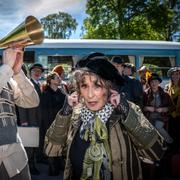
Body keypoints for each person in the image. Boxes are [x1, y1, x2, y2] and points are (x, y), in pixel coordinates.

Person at [44, 56, 166, 180]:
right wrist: (65, 112)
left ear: (110, 87)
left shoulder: (126, 110)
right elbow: (51, 150)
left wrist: (126, 112)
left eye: (97, 86)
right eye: (84, 86)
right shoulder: (75, 113)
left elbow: (156, 151)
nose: (90, 95)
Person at [0, 47, 39, 180]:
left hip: (16, 157)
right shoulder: (4, 72)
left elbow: (32, 101)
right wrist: (6, 68)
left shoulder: (6, 77)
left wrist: (17, 73)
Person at [17, 62, 45, 175]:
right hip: (29, 119)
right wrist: (24, 121)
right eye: (35, 71)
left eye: (40, 71)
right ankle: (29, 167)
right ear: (30, 72)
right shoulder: (27, 84)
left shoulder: (39, 84)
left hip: (37, 118)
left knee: (35, 143)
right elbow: (21, 103)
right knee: (29, 145)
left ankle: (35, 161)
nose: (38, 73)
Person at [41, 72, 66, 175]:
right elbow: (45, 112)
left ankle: (59, 165)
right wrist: (49, 126)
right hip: (50, 123)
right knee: (51, 146)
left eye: (59, 78)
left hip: (62, 123)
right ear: (50, 81)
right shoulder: (46, 94)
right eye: (57, 78)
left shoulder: (61, 92)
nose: (59, 79)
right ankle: (52, 168)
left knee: (60, 144)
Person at [143, 73, 173, 143]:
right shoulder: (145, 94)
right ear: (149, 83)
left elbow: (172, 107)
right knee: (147, 129)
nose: (154, 83)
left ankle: (169, 141)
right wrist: (147, 108)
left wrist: (164, 109)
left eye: (156, 81)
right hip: (148, 117)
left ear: (159, 82)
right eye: (152, 82)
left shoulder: (165, 94)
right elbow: (140, 106)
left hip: (161, 117)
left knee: (157, 126)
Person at [165, 67, 180, 151]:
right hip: (171, 114)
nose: (175, 76)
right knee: (171, 132)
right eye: (173, 74)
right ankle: (173, 150)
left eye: (177, 74)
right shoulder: (167, 87)